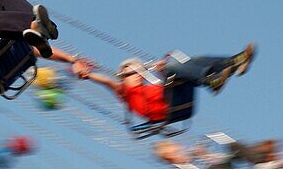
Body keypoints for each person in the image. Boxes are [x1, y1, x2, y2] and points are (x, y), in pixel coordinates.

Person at [74, 46, 255, 124]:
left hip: (179, 101)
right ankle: (211, 82)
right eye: (132, 73)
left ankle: (234, 62)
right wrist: (88, 75)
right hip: (169, 109)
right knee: (174, 67)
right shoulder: (124, 91)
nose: (138, 76)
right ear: (123, 76)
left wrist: (162, 71)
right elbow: (106, 81)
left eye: (140, 72)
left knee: (194, 61)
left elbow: (169, 84)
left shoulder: (148, 88)